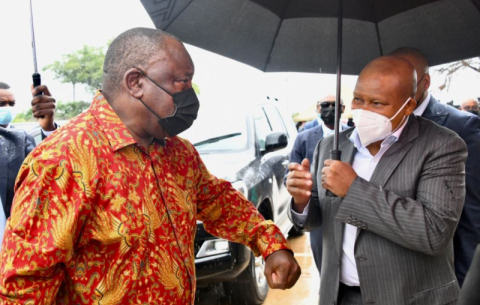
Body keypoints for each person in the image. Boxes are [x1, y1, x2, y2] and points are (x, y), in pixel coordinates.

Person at [0, 28, 301, 304]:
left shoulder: (178, 152)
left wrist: (271, 243)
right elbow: (25, 284)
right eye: (181, 81)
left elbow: (219, 202)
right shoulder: (63, 159)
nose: (189, 94)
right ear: (136, 82)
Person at [287, 56, 467, 305]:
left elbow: (434, 232)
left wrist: (353, 189)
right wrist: (302, 201)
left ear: (408, 106)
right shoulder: (330, 145)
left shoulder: (442, 146)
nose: (364, 110)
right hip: (340, 296)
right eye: (358, 99)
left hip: (409, 298)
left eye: (377, 103)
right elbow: (315, 220)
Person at [392, 47, 480, 287]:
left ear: (425, 81)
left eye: (405, 78)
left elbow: (471, 214)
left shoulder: (461, 127)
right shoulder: (380, 125)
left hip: (442, 275)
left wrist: (465, 285)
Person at [285, 95, 347, 275]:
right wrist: (300, 185)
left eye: (335, 105)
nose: (330, 108)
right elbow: (290, 175)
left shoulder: (355, 137)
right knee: (325, 266)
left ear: (343, 109)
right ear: (318, 108)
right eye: (325, 105)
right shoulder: (303, 138)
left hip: (348, 208)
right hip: (319, 212)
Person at [0, 82, 56, 245]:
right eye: (1, 104)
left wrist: (48, 128)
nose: (7, 108)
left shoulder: (20, 139)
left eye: (11, 104)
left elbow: (46, 170)